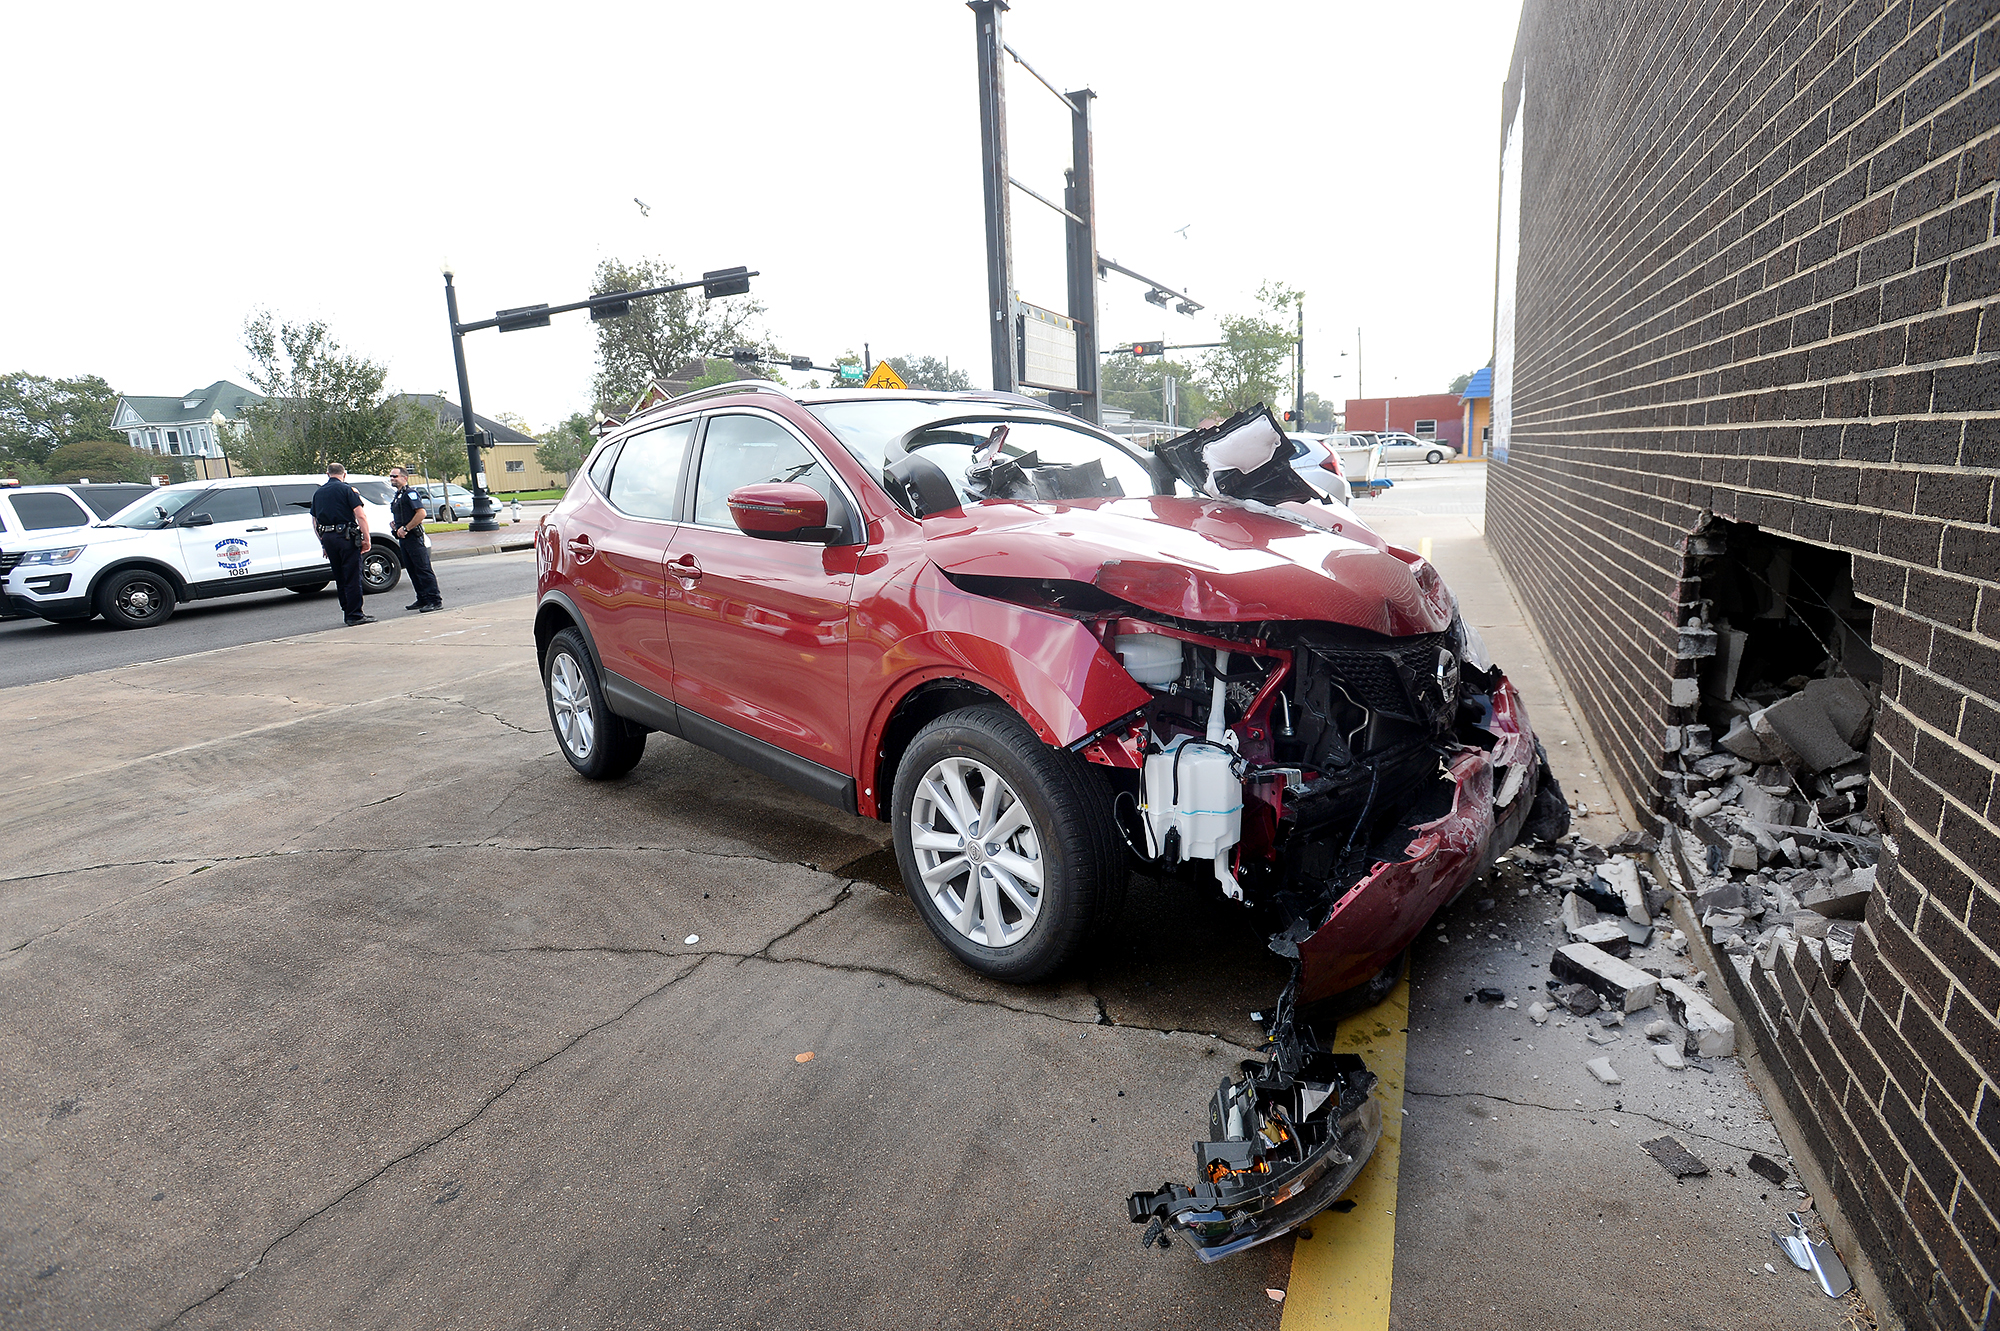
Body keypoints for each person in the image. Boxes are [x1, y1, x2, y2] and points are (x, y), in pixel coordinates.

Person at [310, 462, 374, 626]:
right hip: (346, 537)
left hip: (329, 538)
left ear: (327, 474)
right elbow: (360, 516)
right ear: (344, 474)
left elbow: (315, 521)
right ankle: (355, 615)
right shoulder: (347, 490)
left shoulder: (318, 493)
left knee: (340, 577)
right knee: (352, 575)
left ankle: (347, 611)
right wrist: (366, 538)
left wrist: (323, 543)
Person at [388, 466, 442, 612]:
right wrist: (396, 525)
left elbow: (421, 513)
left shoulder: (410, 493)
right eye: (391, 476)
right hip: (403, 538)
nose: (392, 479)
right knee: (412, 569)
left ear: (404, 478)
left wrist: (406, 528)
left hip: (413, 537)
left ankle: (434, 600)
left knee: (423, 568)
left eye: (395, 476)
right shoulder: (398, 495)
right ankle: (422, 598)